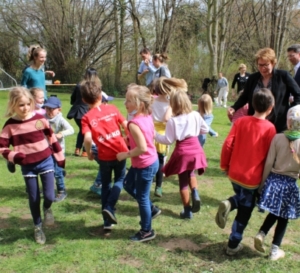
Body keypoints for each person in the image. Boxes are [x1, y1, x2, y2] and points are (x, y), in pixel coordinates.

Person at [0, 87, 65, 244]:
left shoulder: (39, 119)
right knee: (34, 198)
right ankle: (37, 227)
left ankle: (47, 208)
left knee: (49, 196)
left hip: (45, 161)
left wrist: (60, 159)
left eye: (28, 104)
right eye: (21, 105)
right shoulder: (9, 125)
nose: (25, 108)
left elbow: (52, 139)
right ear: (13, 105)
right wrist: (14, 156)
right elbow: (2, 147)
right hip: (27, 166)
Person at [216, 88, 276, 256]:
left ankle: (231, 203)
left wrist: (224, 165)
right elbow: (270, 157)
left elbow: (228, 144)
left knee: (242, 200)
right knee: (245, 211)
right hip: (252, 179)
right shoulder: (270, 129)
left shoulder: (240, 122)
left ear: (251, 104)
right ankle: (233, 244)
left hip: (234, 174)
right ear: (271, 107)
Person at [254, 105, 300, 261]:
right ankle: (274, 250)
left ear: (288, 122)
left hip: (274, 180)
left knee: (275, 212)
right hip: (290, 184)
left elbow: (268, 163)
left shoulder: (277, 138)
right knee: (283, 217)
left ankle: (261, 233)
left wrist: (262, 185)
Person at [80, 80, 128, 231]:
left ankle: (107, 222)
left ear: (83, 100)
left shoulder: (86, 118)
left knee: (106, 185)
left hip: (104, 156)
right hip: (120, 152)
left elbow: (87, 138)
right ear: (101, 95)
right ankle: (109, 206)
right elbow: (126, 125)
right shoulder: (113, 108)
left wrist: (88, 154)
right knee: (120, 179)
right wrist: (127, 138)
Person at [155, 87, 209, 219]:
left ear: (173, 104)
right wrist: (195, 130)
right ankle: (195, 192)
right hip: (196, 148)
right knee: (191, 173)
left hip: (183, 151)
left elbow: (167, 140)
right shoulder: (196, 115)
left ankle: (187, 211)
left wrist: (154, 134)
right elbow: (206, 129)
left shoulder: (173, 121)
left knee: (183, 181)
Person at [116, 85, 159, 242]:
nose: (125, 104)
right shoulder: (147, 117)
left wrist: (124, 155)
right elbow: (151, 135)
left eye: (128, 101)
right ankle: (151, 208)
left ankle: (146, 231)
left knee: (142, 198)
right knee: (127, 184)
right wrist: (130, 140)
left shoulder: (133, 123)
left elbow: (142, 148)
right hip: (150, 161)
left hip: (145, 164)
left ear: (140, 104)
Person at [228, 47, 300, 133]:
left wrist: (291, 111)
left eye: (266, 65)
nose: (263, 68)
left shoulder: (283, 76)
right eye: (260, 65)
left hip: (278, 125)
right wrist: (234, 107)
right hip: (256, 124)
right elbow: (244, 97)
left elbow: (298, 94)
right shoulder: (253, 78)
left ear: (273, 63)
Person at [150, 77, 182, 198]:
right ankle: (158, 187)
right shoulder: (170, 103)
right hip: (162, 135)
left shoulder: (151, 101)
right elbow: (167, 118)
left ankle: (151, 180)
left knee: (151, 159)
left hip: (151, 132)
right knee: (160, 161)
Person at [44, 96, 74, 202]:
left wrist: (61, 134)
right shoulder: (43, 118)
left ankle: (61, 191)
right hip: (46, 151)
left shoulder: (60, 119)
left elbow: (71, 129)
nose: (49, 111)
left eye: (52, 109)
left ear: (59, 109)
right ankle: (48, 190)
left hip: (58, 151)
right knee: (48, 171)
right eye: (47, 109)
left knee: (57, 172)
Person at [67, 68, 100, 157]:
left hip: (77, 112)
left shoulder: (79, 86)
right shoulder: (95, 87)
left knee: (83, 130)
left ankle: (78, 149)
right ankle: (84, 151)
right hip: (88, 111)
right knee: (86, 131)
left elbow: (72, 99)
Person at [89, 91, 115, 197]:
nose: (108, 104)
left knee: (105, 166)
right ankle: (98, 185)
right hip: (96, 146)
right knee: (106, 166)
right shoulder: (96, 115)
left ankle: (98, 184)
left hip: (97, 146)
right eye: (106, 102)